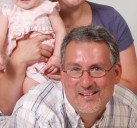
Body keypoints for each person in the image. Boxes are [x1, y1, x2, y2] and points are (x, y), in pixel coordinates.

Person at [0, 0, 137, 115]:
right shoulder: (18, 22)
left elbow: (132, 87)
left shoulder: (110, 19)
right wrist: (18, 59)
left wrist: (76, 79)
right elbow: (6, 107)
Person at [0, 25, 137, 127]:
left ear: (116, 73)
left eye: (96, 69)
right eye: (75, 70)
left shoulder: (129, 107)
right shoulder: (34, 114)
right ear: (62, 75)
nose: (85, 82)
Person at [0, 0, 66, 94]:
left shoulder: (47, 7)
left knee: (31, 88)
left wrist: (57, 57)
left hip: (43, 63)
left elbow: (61, 31)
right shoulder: (7, 12)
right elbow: (0, 34)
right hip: (14, 65)